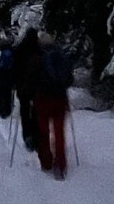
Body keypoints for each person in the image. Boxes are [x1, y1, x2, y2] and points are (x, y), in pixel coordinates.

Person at [34, 31, 73, 179]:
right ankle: (60, 165)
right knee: (59, 133)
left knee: (43, 132)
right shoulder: (62, 57)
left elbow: (31, 79)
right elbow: (69, 80)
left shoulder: (38, 58)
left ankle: (46, 162)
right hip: (60, 100)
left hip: (42, 100)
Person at [11, 27, 42, 151]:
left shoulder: (20, 49)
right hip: (36, 87)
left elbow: (15, 68)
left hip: (23, 87)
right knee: (35, 112)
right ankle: (36, 137)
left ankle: (27, 136)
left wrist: (14, 82)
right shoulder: (39, 50)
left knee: (24, 111)